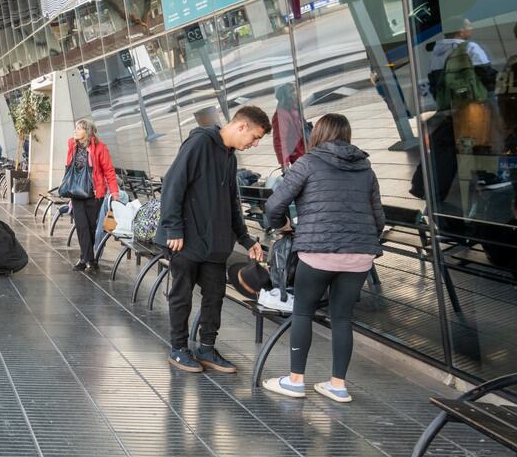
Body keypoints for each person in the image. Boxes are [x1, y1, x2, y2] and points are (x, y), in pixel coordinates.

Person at [261, 114, 384, 404]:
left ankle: (295, 382)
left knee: (303, 312)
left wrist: (284, 227)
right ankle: (338, 386)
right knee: (343, 318)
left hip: (317, 253)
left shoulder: (307, 163)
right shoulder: (366, 170)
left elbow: (274, 205)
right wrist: (360, 241)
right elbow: (378, 219)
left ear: (318, 134)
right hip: (359, 256)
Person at [155, 105, 270, 374]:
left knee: (215, 295)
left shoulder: (230, 157)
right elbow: (173, 184)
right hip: (185, 239)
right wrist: (173, 229)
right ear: (241, 126)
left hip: (215, 243)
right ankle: (179, 349)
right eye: (254, 137)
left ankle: (206, 348)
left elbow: (231, 202)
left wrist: (246, 238)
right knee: (181, 295)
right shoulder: (199, 143)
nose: (253, 144)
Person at [64, 118, 119, 272]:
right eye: (76, 127)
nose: (76, 130)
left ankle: (86, 259)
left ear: (87, 131)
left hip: (94, 194)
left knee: (91, 227)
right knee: (81, 226)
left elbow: (109, 170)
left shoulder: (100, 148)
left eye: (79, 128)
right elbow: (69, 167)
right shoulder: (73, 145)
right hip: (76, 192)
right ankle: (88, 260)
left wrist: (114, 191)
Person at [271, 83, 307, 169]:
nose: (296, 93)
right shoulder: (281, 115)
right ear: (285, 96)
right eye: (292, 91)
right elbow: (279, 141)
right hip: (298, 157)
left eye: (295, 90)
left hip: (306, 152)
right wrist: (284, 163)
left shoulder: (294, 108)